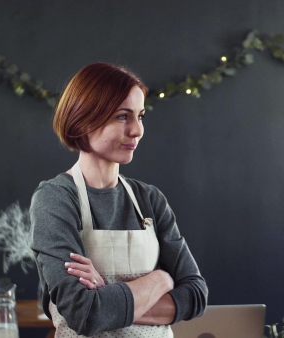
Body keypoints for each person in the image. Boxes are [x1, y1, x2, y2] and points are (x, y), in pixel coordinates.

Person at [30, 62, 208, 337]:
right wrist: (161, 279)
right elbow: (84, 314)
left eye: (141, 116)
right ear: (84, 119)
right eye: (123, 117)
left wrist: (107, 300)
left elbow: (196, 295)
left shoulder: (150, 199)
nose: (137, 130)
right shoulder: (55, 200)